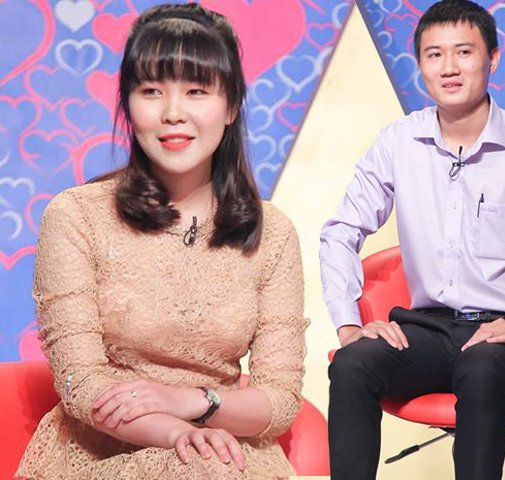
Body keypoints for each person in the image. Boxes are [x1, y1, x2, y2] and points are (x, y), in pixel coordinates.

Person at [319, 0, 505, 479]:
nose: (449, 68)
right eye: (434, 55)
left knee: (481, 369)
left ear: (492, 59)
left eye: (464, 52)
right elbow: (340, 232)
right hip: (428, 329)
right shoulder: (398, 142)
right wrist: (349, 325)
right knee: (352, 365)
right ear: (420, 64)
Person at [17, 4, 306, 479]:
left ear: (231, 106)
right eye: (151, 91)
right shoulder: (76, 216)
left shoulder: (272, 234)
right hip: (104, 450)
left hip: (228, 450)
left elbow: (280, 401)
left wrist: (194, 403)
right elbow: (81, 384)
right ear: (128, 105)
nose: (173, 113)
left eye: (196, 91)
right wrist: (176, 434)